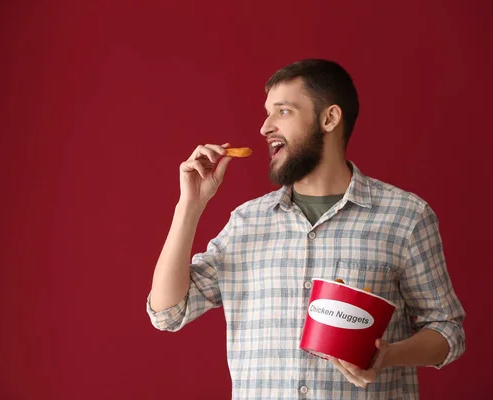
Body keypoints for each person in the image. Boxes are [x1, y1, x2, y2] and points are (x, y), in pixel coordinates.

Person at [146, 59, 466, 399]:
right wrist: (190, 206)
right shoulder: (246, 223)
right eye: (267, 112)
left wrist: (388, 355)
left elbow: (447, 330)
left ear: (329, 119)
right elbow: (168, 313)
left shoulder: (406, 216)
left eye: (282, 111)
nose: (265, 127)